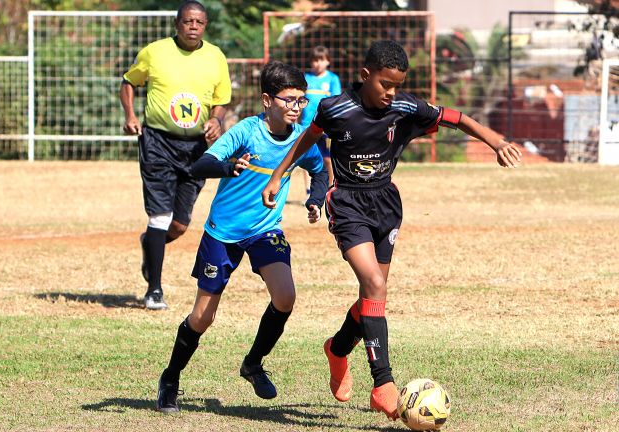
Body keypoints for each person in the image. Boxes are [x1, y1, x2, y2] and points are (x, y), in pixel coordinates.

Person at [262, 40, 522, 420]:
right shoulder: (336, 109)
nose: (391, 93)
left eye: (398, 85)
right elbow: (307, 140)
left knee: (372, 295)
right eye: (385, 84)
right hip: (348, 203)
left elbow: (457, 118)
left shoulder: (404, 107)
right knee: (375, 286)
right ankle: (382, 382)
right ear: (365, 76)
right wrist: (276, 175)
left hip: (386, 205)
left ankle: (337, 350)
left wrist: (496, 141)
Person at [154, 60, 328, 413]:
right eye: (289, 100)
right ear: (267, 100)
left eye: (302, 100)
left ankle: (252, 363)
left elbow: (319, 169)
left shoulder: (301, 138)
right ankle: (170, 377)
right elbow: (200, 165)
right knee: (202, 317)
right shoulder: (246, 132)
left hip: (266, 230)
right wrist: (227, 166)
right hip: (223, 233)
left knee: (286, 297)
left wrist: (315, 198)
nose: (297, 107)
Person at [119, 1, 232, 310]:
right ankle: (154, 290)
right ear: (177, 24)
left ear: (205, 25)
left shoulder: (216, 57)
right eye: (187, 21)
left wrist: (216, 120)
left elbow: (221, 100)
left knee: (179, 225)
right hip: (157, 141)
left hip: (196, 148)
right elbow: (128, 82)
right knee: (159, 215)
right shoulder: (155, 52)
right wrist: (130, 115)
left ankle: (150, 245)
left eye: (198, 22)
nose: (192, 26)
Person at [301, 45, 342, 187]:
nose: (318, 64)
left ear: (328, 61)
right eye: (315, 60)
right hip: (307, 125)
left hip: (325, 126)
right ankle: (308, 191)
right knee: (306, 158)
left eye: (321, 60)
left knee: (328, 159)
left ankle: (331, 187)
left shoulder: (332, 79)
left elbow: (336, 102)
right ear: (310, 62)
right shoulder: (305, 78)